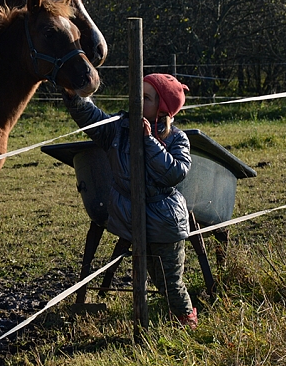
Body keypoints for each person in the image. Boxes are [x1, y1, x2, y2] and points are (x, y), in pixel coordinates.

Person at [63, 73, 198, 329]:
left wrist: (147, 141)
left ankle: (187, 324)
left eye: (145, 97)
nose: (137, 100)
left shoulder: (177, 139)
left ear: (161, 107)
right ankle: (145, 324)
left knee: (170, 281)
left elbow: (174, 173)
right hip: (134, 219)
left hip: (165, 223)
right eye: (136, 93)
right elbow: (91, 118)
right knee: (148, 277)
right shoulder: (118, 128)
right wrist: (74, 96)